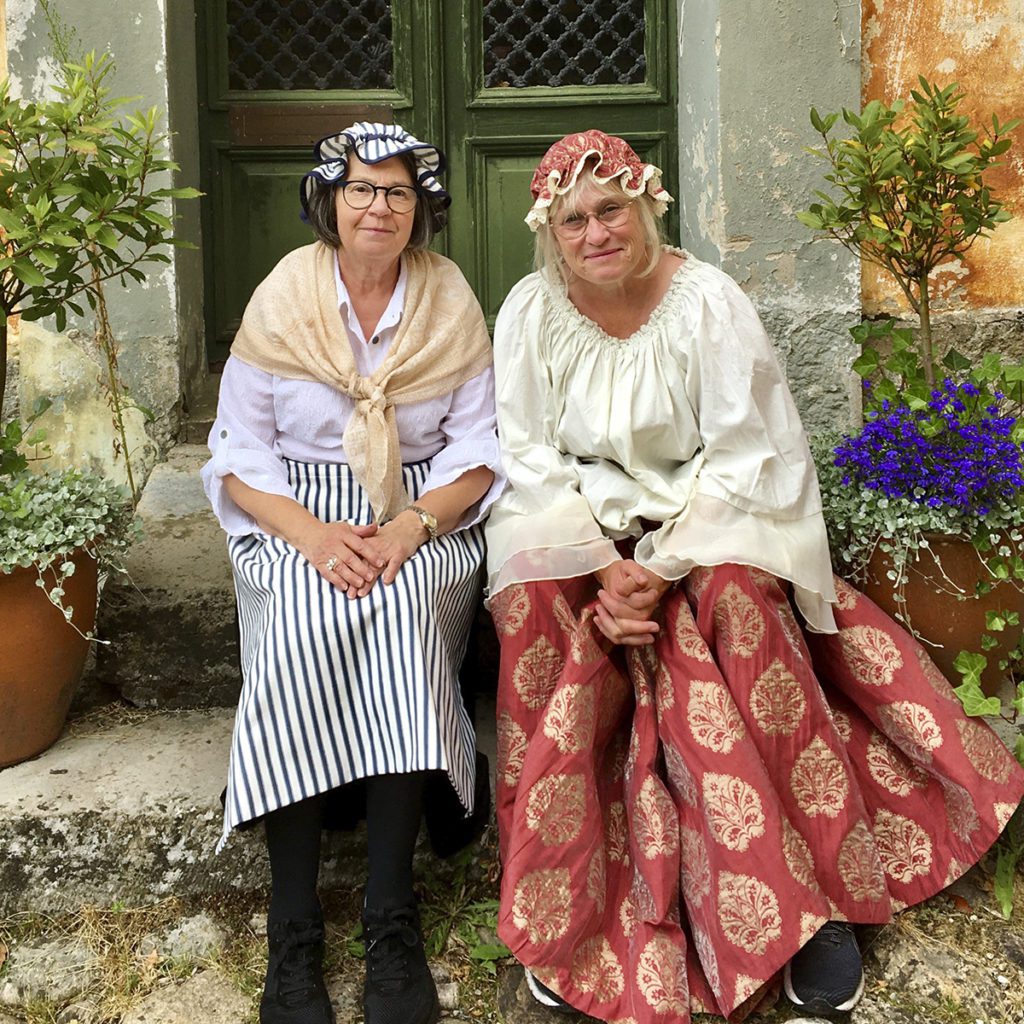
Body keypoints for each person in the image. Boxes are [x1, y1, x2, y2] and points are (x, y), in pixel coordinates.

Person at [484, 129, 1024, 1023]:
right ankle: (566, 892)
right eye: (573, 220)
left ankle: (817, 897)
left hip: (707, 523)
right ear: (553, 232)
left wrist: (659, 566)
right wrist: (600, 568)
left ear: (647, 206)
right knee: (535, 605)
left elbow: (747, 456)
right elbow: (529, 455)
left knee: (738, 601)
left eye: (610, 209)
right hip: (579, 533)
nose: (594, 233)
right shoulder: (529, 311)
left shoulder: (707, 302)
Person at [200, 121, 504, 1024]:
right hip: (295, 511)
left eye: (399, 193)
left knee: (403, 617)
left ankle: (389, 917)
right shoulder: (283, 296)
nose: (380, 207)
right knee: (302, 622)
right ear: (329, 200)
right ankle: (292, 929)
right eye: (362, 189)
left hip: (419, 516)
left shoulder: (450, 302)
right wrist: (312, 534)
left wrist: (408, 527)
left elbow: (479, 452)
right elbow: (238, 450)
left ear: (423, 210)